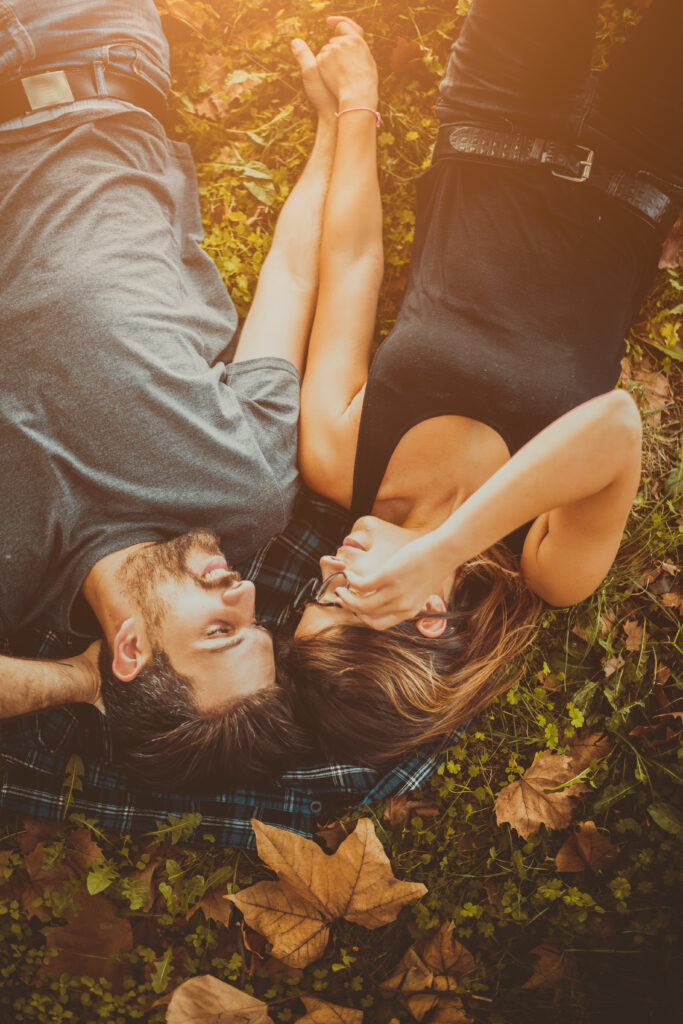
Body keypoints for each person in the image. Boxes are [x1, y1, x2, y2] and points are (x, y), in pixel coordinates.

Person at [283, 0, 682, 767]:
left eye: (312, 593)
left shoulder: (338, 461)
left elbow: (356, 265)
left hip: (491, 116)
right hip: (645, 159)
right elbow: (616, 426)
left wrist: (357, 105)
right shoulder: (548, 565)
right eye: (340, 596)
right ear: (423, 616)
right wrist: (447, 545)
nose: (325, 566)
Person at [0, 0, 348, 787]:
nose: (247, 590)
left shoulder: (13, 584)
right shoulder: (245, 492)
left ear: (129, 651)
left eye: (224, 630)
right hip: (78, 52)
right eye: (257, 621)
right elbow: (290, 280)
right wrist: (339, 125)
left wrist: (77, 682)